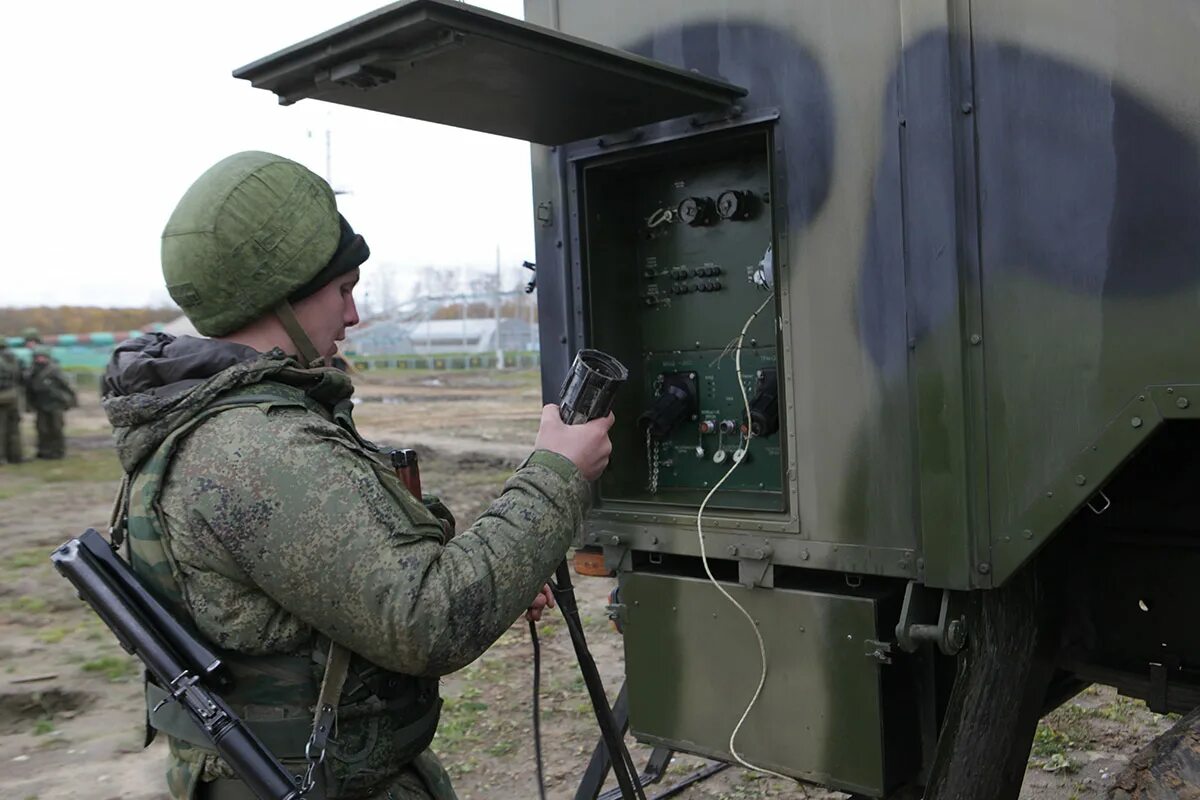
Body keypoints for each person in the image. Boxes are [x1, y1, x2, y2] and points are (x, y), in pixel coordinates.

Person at [100, 151, 613, 800]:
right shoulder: (255, 447)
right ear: (281, 295)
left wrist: (496, 566)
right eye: (343, 290)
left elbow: (362, 571)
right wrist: (559, 472)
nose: (353, 316)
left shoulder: (226, 421)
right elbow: (427, 619)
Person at [25, 347, 76, 460]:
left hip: (55, 403)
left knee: (56, 428)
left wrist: (71, 400)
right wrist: (29, 405)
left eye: (42, 357)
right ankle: (44, 451)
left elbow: (66, 386)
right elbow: (29, 390)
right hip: (40, 404)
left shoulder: (54, 370)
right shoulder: (32, 372)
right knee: (42, 429)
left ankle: (58, 451)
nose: (40, 359)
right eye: (38, 357)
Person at [0, 338, 23, 463]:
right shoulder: (15, 359)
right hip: (14, 395)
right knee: (14, 428)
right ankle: (16, 456)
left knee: (1, 428)